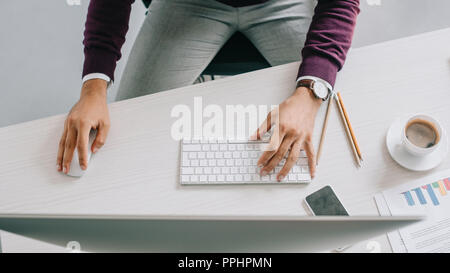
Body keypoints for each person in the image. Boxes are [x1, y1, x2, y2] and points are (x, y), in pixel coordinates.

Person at [57, 0, 360, 181]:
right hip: (187, 6)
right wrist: (93, 87)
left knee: (331, 134)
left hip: (281, 3)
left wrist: (310, 90)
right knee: (123, 137)